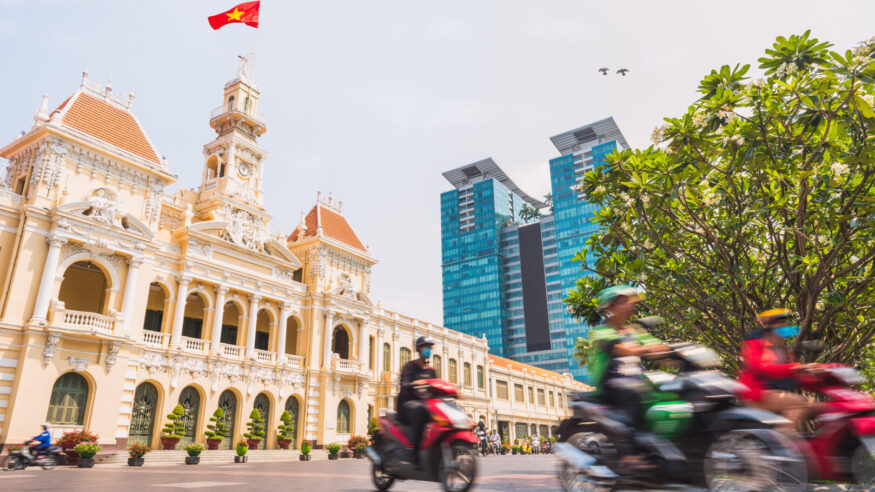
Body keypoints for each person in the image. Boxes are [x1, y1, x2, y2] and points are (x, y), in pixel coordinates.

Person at [589, 285, 669, 468]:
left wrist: (675, 355)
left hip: (638, 380)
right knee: (635, 391)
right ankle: (629, 454)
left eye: (629, 302)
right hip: (612, 384)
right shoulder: (603, 331)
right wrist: (646, 350)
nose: (628, 306)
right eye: (622, 302)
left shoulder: (634, 331)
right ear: (609, 308)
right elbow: (620, 348)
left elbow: (658, 347)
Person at [739, 308, 818, 433]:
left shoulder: (780, 349)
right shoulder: (757, 344)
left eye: (785, 323)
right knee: (800, 402)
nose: (785, 326)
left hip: (774, 392)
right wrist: (798, 368)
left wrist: (817, 376)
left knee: (813, 407)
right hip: (758, 394)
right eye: (781, 323)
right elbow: (763, 368)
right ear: (770, 327)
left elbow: (791, 376)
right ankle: (782, 438)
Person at [397, 336, 437, 468]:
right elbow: (404, 384)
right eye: (425, 347)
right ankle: (414, 456)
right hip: (407, 405)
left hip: (425, 405)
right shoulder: (410, 366)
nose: (428, 349)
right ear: (418, 349)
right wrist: (416, 383)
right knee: (420, 410)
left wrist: (454, 392)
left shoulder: (431, 371)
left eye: (429, 347)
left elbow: (437, 387)